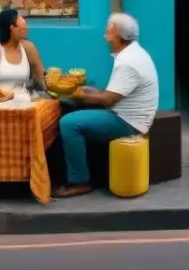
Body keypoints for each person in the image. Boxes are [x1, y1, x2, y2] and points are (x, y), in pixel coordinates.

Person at [54, 13, 159, 198]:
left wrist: (73, 93)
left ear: (119, 36)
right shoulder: (133, 53)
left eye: (109, 33)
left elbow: (108, 99)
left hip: (127, 122)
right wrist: (85, 91)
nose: (106, 37)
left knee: (69, 123)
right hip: (126, 115)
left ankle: (80, 181)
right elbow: (112, 93)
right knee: (85, 92)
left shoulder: (128, 62)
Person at [0, 8, 47, 91]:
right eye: (22, 30)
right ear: (11, 27)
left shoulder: (28, 47)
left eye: (25, 29)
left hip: (23, 100)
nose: (25, 32)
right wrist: (8, 95)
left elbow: (41, 76)